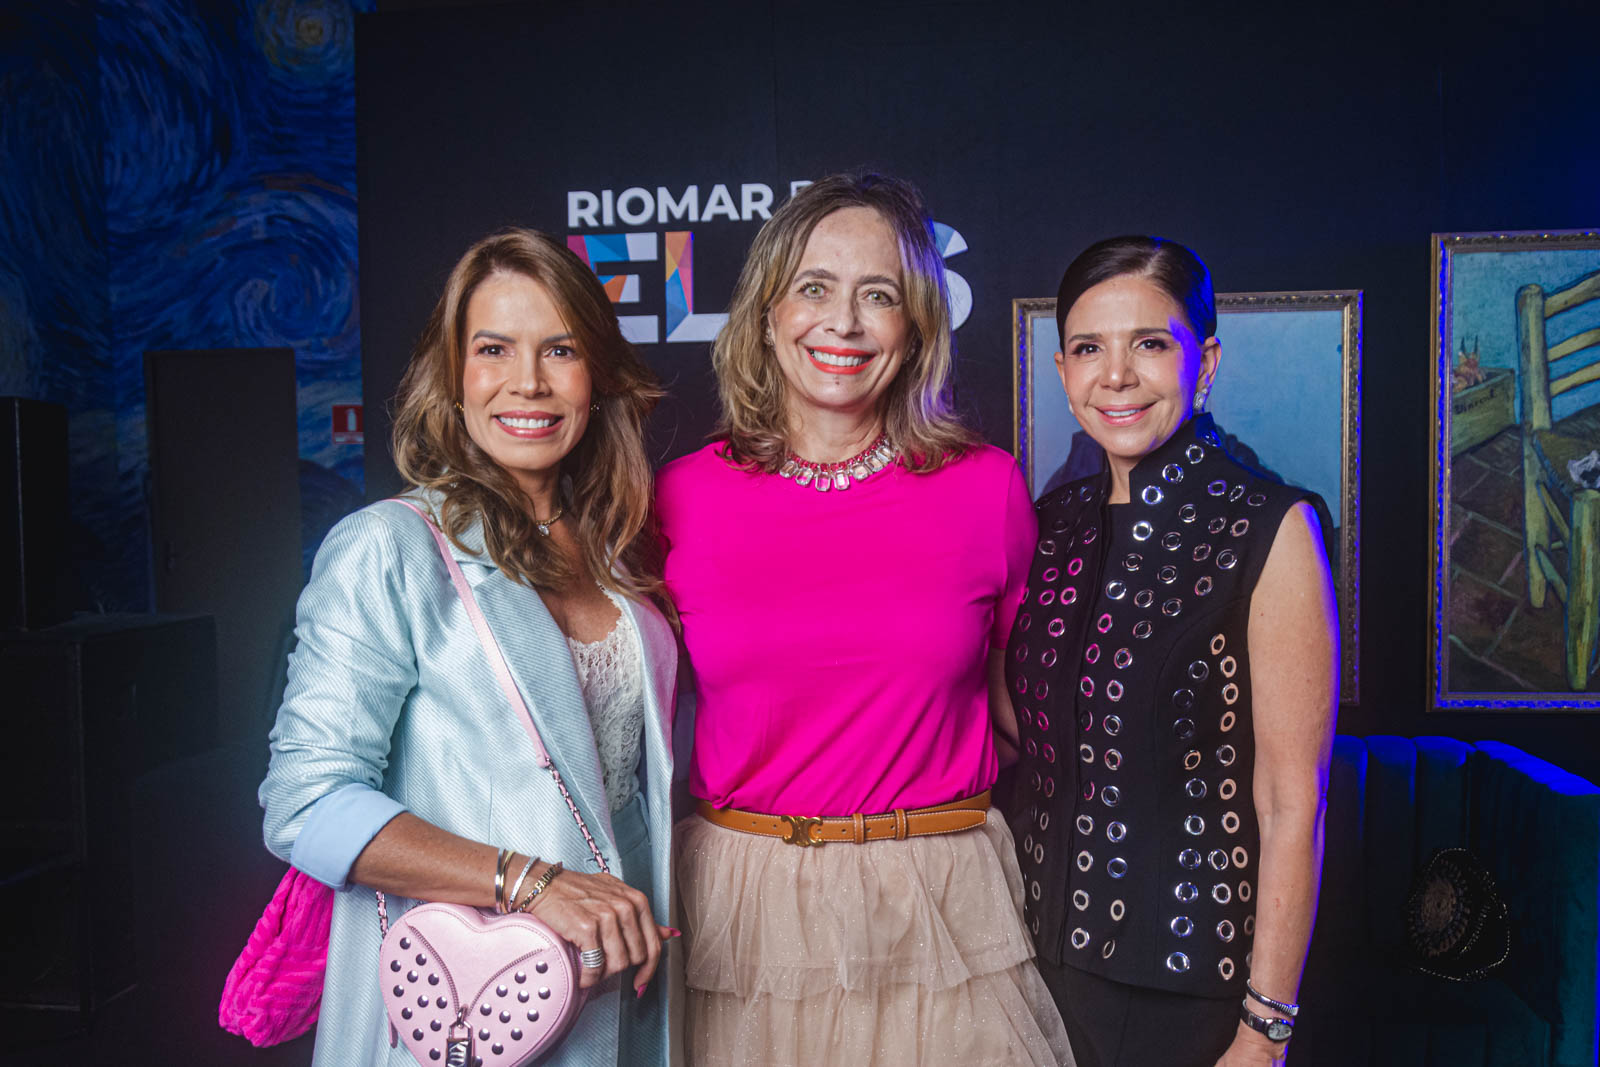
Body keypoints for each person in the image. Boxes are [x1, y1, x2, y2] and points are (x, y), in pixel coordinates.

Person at [656, 173, 1074, 1066]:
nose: (842, 323)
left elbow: (1024, 714)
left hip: (939, 898)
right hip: (747, 905)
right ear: (767, 312)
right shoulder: (681, 497)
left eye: (877, 294)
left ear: (916, 326)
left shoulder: (987, 488)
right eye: (814, 288)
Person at [259, 229, 680, 1066]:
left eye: (560, 349)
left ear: (597, 376)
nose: (529, 381)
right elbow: (306, 803)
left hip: (626, 981)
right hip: (471, 1000)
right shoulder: (390, 546)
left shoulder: (618, 551)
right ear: (454, 378)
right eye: (494, 349)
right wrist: (531, 881)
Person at [1009, 235, 1338, 1067]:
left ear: (1206, 362)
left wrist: (1263, 1031)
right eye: (1090, 348)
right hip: (1030, 972)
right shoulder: (1050, 527)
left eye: (1150, 343)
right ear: (1063, 371)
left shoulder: (1272, 527)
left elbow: (1291, 801)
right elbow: (1026, 729)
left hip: (1187, 990)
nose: (1116, 375)